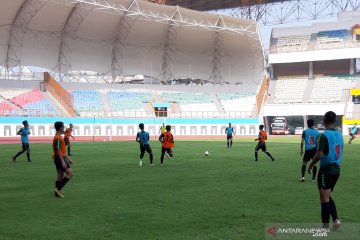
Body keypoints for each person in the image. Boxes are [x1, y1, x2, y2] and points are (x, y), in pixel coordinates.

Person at [308, 111, 343, 229]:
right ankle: (336, 219)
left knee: (324, 199)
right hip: (337, 169)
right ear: (334, 121)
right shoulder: (340, 134)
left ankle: (324, 228)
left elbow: (319, 155)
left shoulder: (324, 135)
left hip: (326, 170)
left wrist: (311, 165)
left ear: (324, 120)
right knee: (327, 196)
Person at [53, 121, 74, 198]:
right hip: (59, 158)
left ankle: (56, 193)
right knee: (70, 174)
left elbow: (61, 150)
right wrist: (63, 161)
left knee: (60, 175)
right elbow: (58, 150)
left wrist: (68, 159)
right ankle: (58, 189)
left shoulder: (58, 136)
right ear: (60, 128)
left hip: (57, 158)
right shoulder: (58, 138)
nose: (64, 128)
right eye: (63, 127)